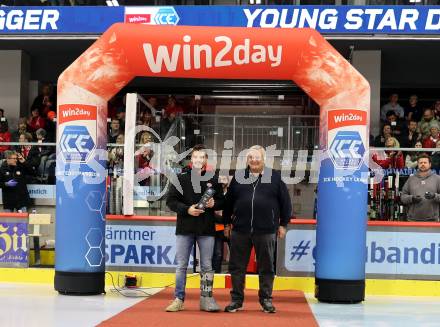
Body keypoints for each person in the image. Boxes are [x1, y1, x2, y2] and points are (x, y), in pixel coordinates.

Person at [223, 145, 292, 314]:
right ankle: (236, 300)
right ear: (247, 160)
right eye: (251, 157)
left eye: (257, 157)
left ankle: (266, 300)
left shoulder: (274, 177)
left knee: (266, 267)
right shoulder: (239, 177)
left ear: (263, 159)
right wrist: (226, 224)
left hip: (266, 230)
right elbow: (228, 203)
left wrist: (283, 224)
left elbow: (286, 203)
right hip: (240, 230)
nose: (254, 160)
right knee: (237, 267)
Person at [165, 144, 225, 312]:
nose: (199, 160)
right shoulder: (181, 178)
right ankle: (178, 298)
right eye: (196, 157)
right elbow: (170, 201)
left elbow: (222, 201)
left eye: (202, 157)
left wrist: (215, 203)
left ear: (205, 159)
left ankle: (206, 299)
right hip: (185, 228)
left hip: (206, 229)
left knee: (207, 265)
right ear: (191, 159)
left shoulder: (214, 178)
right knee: (181, 265)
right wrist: (187, 210)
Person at [401, 154, 440, 222]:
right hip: (412, 220)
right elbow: (403, 197)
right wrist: (412, 198)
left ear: (430, 164)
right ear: (418, 164)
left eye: (425, 162)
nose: (423, 164)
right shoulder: (411, 179)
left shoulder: (437, 179)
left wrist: (434, 196)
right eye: (420, 163)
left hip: (432, 220)